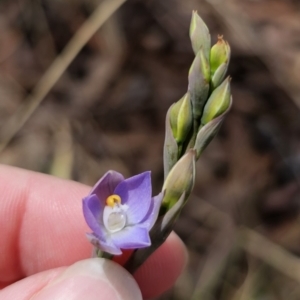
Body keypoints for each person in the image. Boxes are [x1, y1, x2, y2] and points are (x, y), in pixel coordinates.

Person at [0, 165, 187, 300]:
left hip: (128, 233)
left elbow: (148, 225)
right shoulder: (96, 218)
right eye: (110, 203)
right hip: (108, 236)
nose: (114, 206)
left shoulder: (141, 235)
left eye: (115, 203)